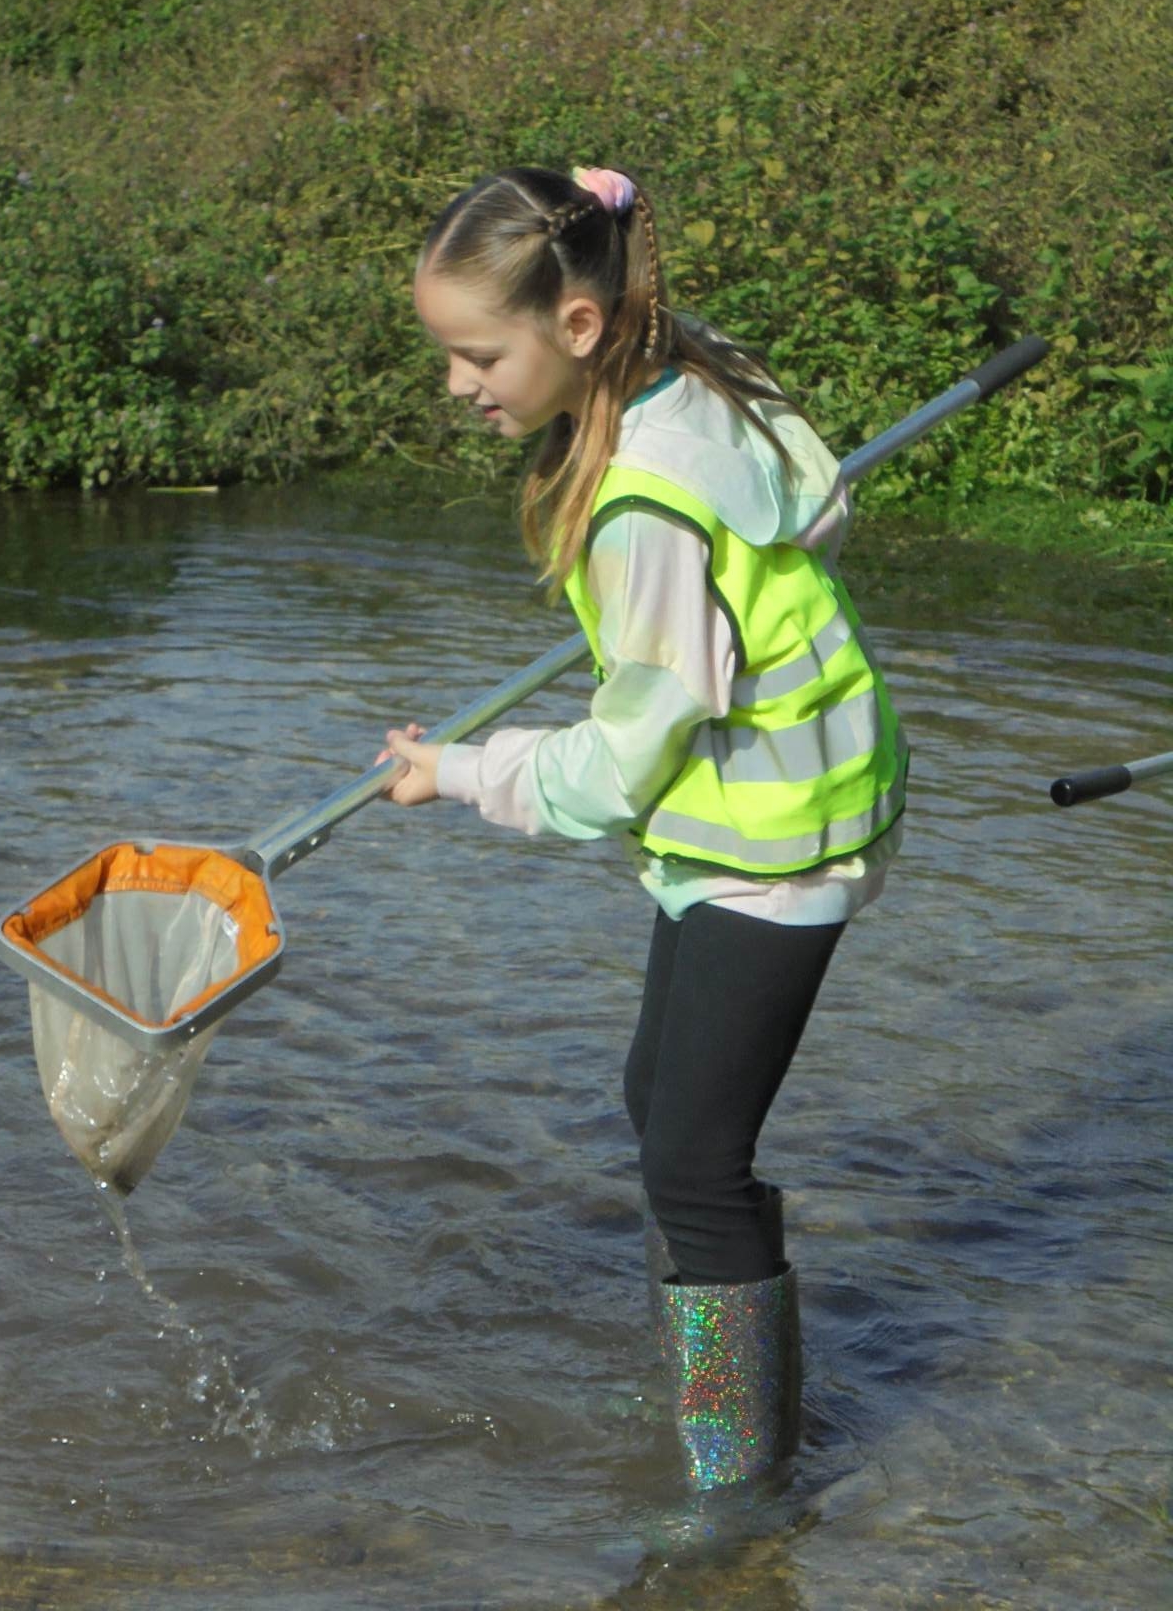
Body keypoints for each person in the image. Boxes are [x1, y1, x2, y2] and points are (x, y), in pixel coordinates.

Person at [379, 164, 908, 1491]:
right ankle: (709, 1386)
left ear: (577, 326)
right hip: (750, 816)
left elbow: (620, 767)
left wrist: (466, 773)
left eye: (477, 355)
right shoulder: (687, 376)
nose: (457, 384)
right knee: (654, 1108)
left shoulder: (645, 506)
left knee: (694, 1162)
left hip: (775, 840)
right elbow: (814, 509)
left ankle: (737, 1483)